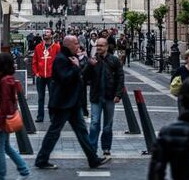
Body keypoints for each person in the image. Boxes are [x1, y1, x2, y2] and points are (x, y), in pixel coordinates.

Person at [35, 35, 109, 170]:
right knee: (54, 132)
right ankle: (41, 159)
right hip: (62, 104)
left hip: (72, 103)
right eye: (75, 43)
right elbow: (65, 79)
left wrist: (84, 66)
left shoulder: (69, 58)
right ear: (67, 44)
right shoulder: (61, 59)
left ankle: (93, 159)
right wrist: (76, 67)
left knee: (82, 132)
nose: (78, 46)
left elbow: (79, 77)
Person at [85, 36, 124, 156]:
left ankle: (106, 147)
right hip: (96, 97)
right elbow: (85, 78)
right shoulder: (92, 60)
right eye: (97, 46)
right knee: (94, 123)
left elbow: (120, 78)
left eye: (101, 46)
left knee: (108, 125)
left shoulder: (114, 60)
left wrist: (118, 94)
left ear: (106, 47)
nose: (99, 48)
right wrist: (90, 65)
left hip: (109, 96)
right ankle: (92, 147)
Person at [0, 53, 29, 180]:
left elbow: (5, 102)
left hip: (4, 118)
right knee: (6, 146)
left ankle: (1, 176)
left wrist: (2, 119)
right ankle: (23, 169)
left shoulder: (4, 81)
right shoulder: (10, 79)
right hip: (7, 116)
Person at [32, 28, 60, 122]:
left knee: (52, 97)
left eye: (47, 32)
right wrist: (36, 73)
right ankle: (40, 116)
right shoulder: (38, 47)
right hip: (40, 76)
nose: (45, 34)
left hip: (51, 76)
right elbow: (34, 61)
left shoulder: (56, 47)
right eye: (44, 32)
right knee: (40, 97)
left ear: (51, 35)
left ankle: (52, 116)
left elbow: (59, 61)